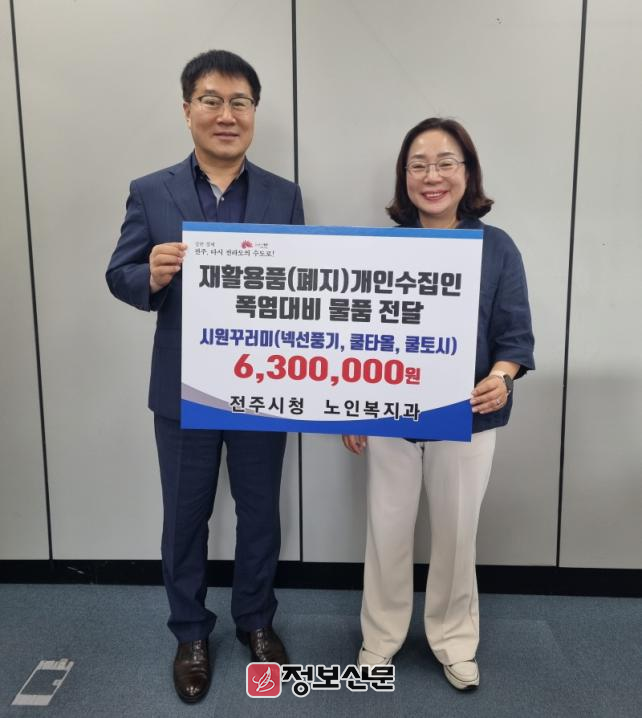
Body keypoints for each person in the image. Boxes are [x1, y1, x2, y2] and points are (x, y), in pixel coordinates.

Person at [106, 49, 304, 704]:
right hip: (182, 388)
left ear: (254, 113)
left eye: (240, 102)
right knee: (185, 517)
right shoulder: (151, 190)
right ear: (187, 109)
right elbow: (119, 273)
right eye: (212, 100)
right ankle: (190, 632)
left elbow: (301, 289)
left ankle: (256, 620)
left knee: (260, 513)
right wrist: (150, 275)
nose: (226, 114)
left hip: (261, 386)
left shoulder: (283, 194)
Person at [343, 117, 534, 691]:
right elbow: (357, 336)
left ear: (467, 172)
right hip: (391, 415)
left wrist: (502, 377)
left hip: (467, 415)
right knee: (386, 531)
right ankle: (380, 638)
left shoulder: (496, 248)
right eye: (419, 165)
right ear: (404, 178)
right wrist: (353, 407)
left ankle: (454, 640)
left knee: (456, 535)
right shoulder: (382, 248)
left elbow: (514, 338)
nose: (433, 176)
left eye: (446, 162)